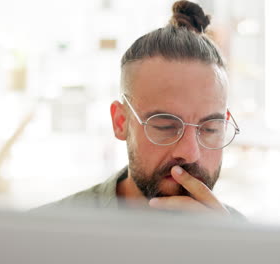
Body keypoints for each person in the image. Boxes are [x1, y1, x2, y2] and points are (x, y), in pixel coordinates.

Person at [38, 0, 244, 219]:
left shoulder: (245, 240)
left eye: (210, 128)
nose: (190, 152)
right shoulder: (48, 232)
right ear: (120, 122)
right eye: (165, 126)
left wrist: (225, 250)